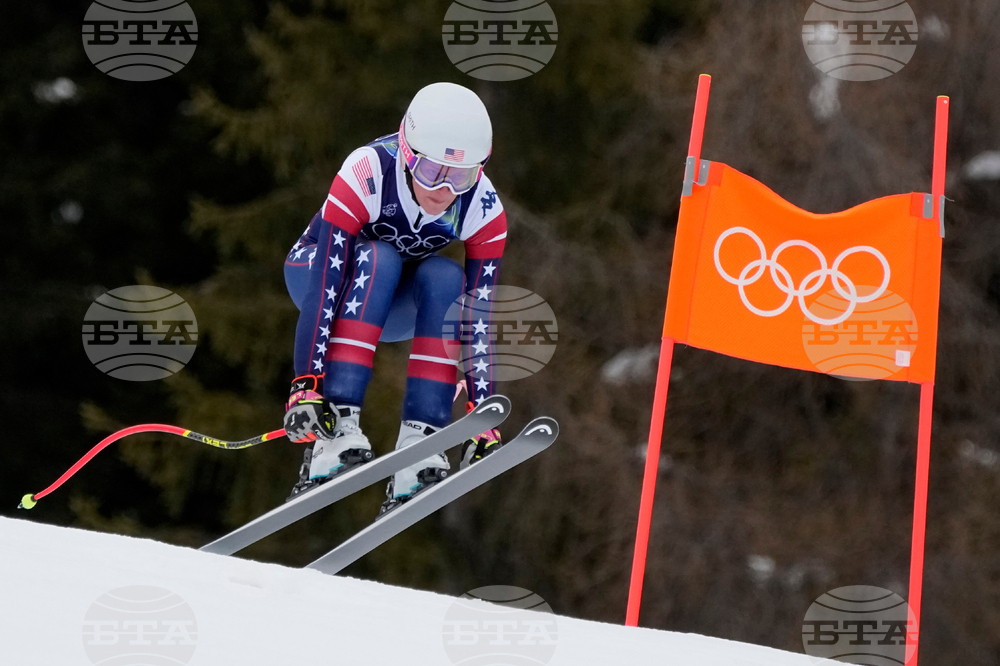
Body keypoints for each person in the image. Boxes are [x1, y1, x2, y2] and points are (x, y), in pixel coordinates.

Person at [281, 82, 506, 514]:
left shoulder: (483, 207)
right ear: (406, 153)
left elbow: (478, 316)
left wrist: (483, 415)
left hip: (391, 305)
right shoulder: (367, 170)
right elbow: (327, 277)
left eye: (459, 176)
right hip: (318, 275)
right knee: (379, 257)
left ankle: (422, 443)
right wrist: (306, 384)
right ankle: (338, 432)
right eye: (430, 172)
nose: (443, 191)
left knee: (445, 276)